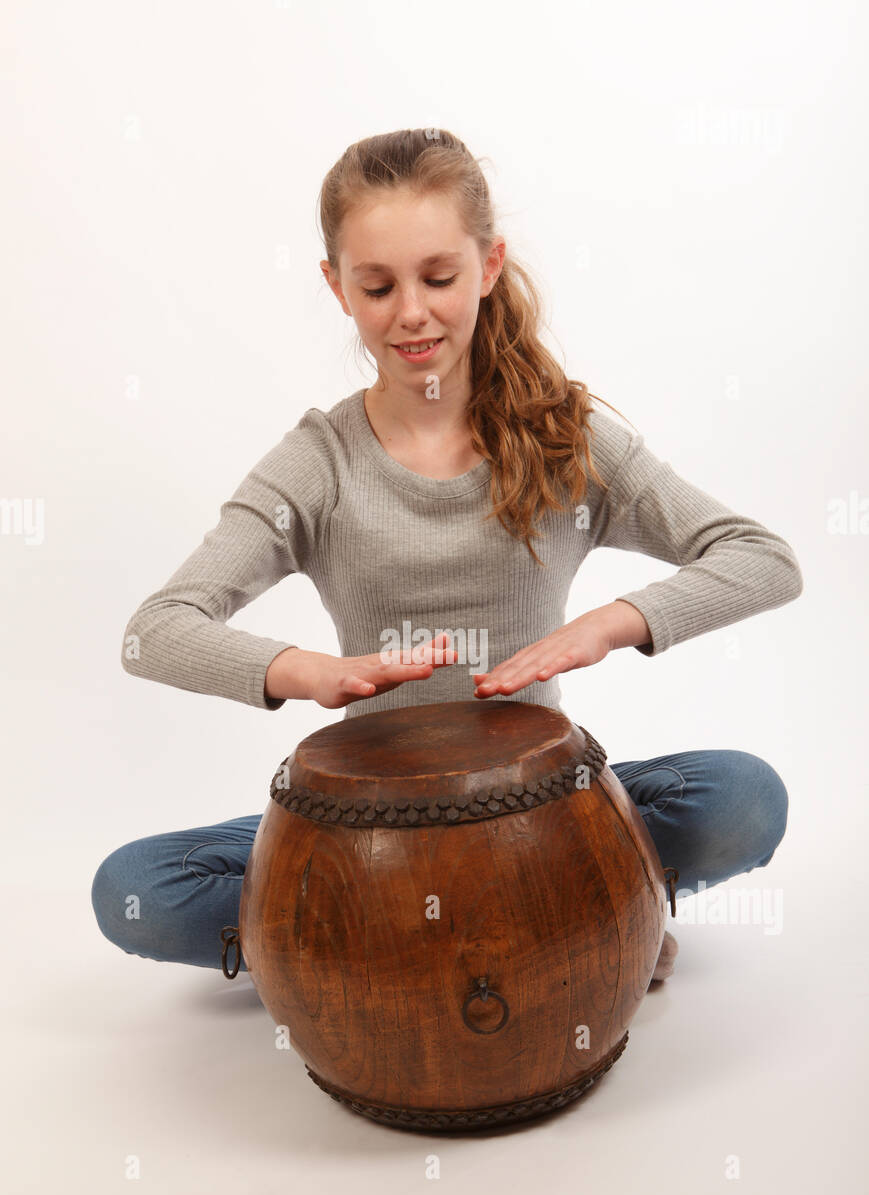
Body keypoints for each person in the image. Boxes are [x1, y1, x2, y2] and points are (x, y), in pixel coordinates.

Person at [91, 128, 802, 986]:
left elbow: (762, 557)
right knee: (135, 888)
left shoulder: (563, 438)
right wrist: (312, 673)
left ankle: (396, 944)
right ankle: (563, 918)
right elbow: (155, 631)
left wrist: (608, 627)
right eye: (377, 285)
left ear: (488, 266)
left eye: (438, 277)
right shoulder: (317, 463)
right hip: (370, 824)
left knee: (742, 797)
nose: (412, 313)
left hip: (541, 807)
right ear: (336, 287)